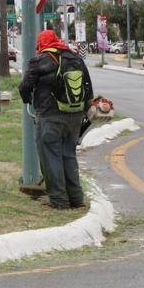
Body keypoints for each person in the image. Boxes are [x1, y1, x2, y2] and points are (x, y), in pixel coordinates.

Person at [19, 30, 94, 209]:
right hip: (75, 116)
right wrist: (83, 109)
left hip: (50, 116)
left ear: (42, 43)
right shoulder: (75, 58)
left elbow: (24, 86)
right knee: (69, 155)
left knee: (51, 155)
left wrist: (28, 100)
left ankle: (59, 200)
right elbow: (88, 87)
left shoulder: (40, 60)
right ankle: (76, 198)